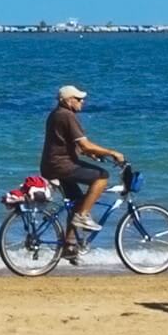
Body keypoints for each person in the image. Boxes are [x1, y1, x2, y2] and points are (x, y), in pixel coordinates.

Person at [39, 84, 126, 253]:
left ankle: (69, 246)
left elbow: (66, 143)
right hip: (62, 165)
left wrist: (91, 154)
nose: (82, 102)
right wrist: (111, 152)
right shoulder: (67, 115)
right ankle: (83, 216)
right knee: (102, 176)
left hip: (51, 165)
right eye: (79, 99)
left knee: (77, 202)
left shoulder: (56, 114)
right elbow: (84, 145)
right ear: (68, 100)